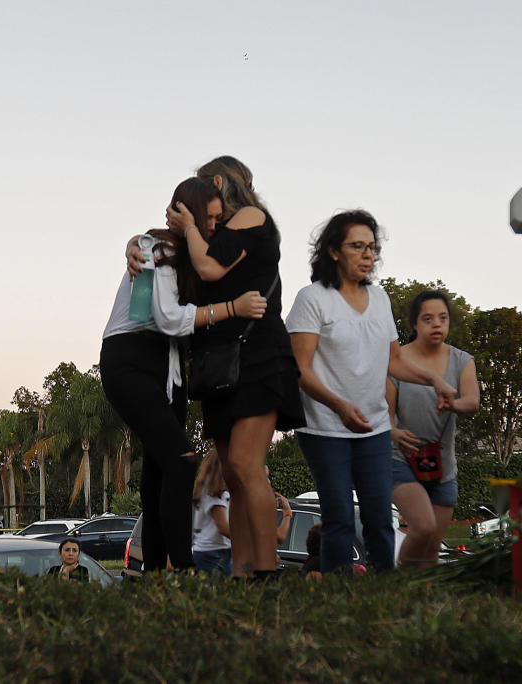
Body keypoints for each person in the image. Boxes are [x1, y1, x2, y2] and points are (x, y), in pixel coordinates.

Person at [104, 176, 267, 573]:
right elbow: (169, 318)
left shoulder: (202, 258)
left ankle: (155, 572)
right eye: (209, 218)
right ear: (186, 212)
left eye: (218, 218)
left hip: (170, 367)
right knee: (181, 459)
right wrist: (233, 308)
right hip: (130, 358)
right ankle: (183, 564)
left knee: (160, 467)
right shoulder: (154, 248)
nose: (215, 226)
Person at [286, 210, 457, 573]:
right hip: (325, 428)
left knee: (380, 520)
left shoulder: (379, 299)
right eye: (357, 246)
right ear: (333, 250)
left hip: (375, 430)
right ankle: (339, 596)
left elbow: (393, 361)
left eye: (372, 247)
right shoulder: (312, 298)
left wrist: (435, 380)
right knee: (340, 520)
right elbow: (300, 369)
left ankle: (383, 598)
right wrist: (340, 405)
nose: (368, 255)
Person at [159, 156, 305, 579]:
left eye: (207, 192)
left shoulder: (252, 215)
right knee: (233, 478)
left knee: (244, 463)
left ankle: (266, 569)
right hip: (217, 366)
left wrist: (188, 228)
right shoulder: (210, 233)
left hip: (256, 355)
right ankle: (241, 573)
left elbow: (210, 266)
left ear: (219, 182)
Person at [388, 290, 479, 568]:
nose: (436, 324)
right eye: (428, 318)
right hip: (400, 459)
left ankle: (420, 604)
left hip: (444, 467)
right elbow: (385, 414)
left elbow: (472, 401)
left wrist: (452, 405)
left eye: (443, 318)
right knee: (423, 528)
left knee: (430, 553)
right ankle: (397, 585)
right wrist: (395, 433)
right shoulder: (397, 361)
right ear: (415, 323)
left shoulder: (463, 360)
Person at [191, 452, 232, 576]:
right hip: (212, 554)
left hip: (208, 552)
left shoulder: (207, 488)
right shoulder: (214, 491)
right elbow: (223, 527)